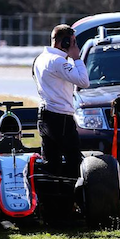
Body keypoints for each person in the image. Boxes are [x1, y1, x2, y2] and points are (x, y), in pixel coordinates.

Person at [33, 24, 89, 178]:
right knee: (73, 162)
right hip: (61, 117)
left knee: (51, 163)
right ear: (65, 42)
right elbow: (84, 81)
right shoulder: (58, 61)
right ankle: (71, 198)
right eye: (73, 42)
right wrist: (76, 58)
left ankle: (50, 200)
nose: (74, 46)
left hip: (44, 114)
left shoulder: (40, 58)